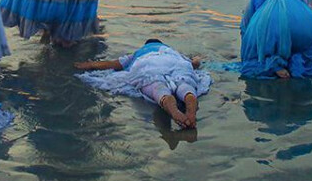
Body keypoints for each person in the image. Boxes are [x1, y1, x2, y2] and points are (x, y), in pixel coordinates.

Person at [75, 39, 211, 129]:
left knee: (156, 86)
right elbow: (194, 64)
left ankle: (167, 101)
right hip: (174, 62)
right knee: (184, 83)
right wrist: (198, 58)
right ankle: (190, 104)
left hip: (148, 63)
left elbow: (112, 64)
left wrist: (89, 64)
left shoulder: (138, 53)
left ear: (145, 45)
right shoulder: (171, 51)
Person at [240, 0, 312, 81]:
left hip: (274, 21)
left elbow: (245, 27)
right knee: (304, 58)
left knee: (255, 59)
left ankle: (275, 67)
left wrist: (248, 55)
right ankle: (296, 68)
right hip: (307, 21)